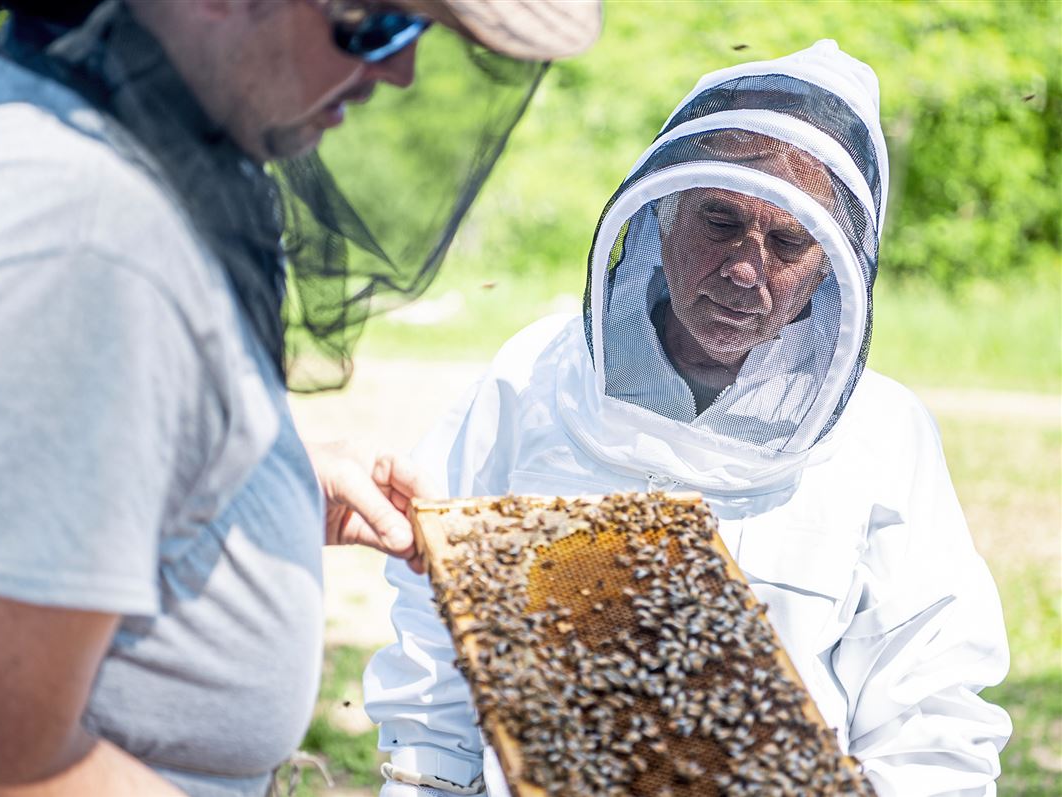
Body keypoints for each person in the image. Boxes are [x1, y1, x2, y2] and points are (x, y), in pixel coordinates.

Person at [0, 1, 601, 795]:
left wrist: (253, 492)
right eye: (377, 20)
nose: (399, 68)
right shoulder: (85, 244)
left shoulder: (82, 126)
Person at [364, 41, 1012, 797]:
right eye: (720, 218)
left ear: (830, 264)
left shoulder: (887, 435)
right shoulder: (531, 378)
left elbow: (929, 706)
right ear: (664, 210)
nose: (746, 268)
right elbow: (438, 623)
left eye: (788, 240)